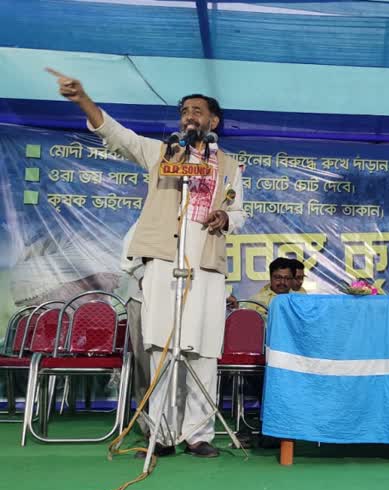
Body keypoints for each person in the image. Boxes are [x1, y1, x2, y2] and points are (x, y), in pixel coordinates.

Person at [49, 68, 245, 458]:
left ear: (214, 120)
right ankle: (163, 434)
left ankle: (199, 434)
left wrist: (226, 217)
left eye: (198, 110)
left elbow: (238, 210)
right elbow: (117, 135)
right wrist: (83, 100)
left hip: (206, 266)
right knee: (160, 348)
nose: (190, 115)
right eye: (185, 110)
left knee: (203, 350)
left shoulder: (230, 164)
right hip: (162, 261)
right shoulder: (162, 152)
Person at [119, 222, 152, 437]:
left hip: (174, 303)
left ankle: (176, 422)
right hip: (142, 300)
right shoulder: (144, 222)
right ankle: (148, 423)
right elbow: (128, 257)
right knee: (144, 364)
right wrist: (144, 276)